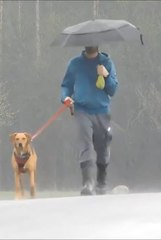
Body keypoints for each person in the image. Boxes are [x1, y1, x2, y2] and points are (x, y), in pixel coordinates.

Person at [60, 46, 118, 195]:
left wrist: (105, 75)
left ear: (97, 45)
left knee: (102, 145)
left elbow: (112, 90)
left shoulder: (107, 62)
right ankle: (87, 183)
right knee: (85, 143)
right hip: (81, 110)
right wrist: (65, 97)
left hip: (102, 111)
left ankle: (101, 182)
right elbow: (66, 85)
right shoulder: (75, 64)